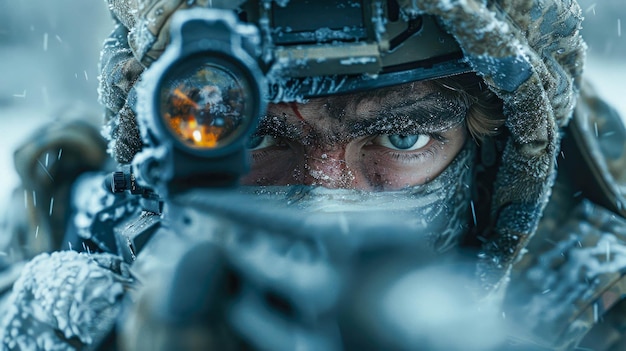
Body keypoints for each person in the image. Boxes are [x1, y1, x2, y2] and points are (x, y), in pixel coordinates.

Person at [2, 0, 626, 350]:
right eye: (258, 136)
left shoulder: (600, 304)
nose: (327, 194)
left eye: (401, 137)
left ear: (494, 166)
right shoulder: (65, 208)